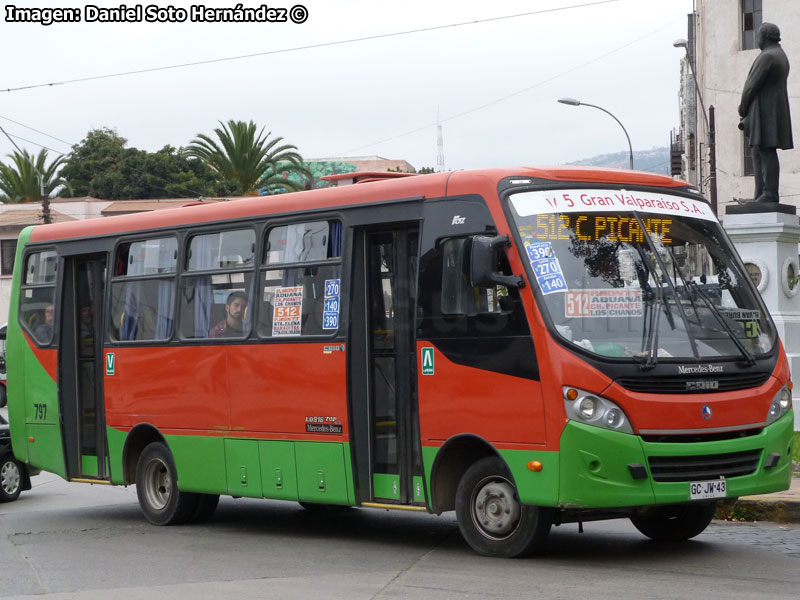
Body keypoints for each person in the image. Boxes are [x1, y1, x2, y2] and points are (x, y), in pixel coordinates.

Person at [738, 22, 793, 203]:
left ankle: (768, 193)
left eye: (759, 34)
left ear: (765, 37)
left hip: (764, 111)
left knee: (765, 150)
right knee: (759, 150)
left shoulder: (767, 57)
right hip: (771, 110)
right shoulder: (780, 55)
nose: (757, 38)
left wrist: (742, 107)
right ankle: (761, 193)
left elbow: (751, 86)